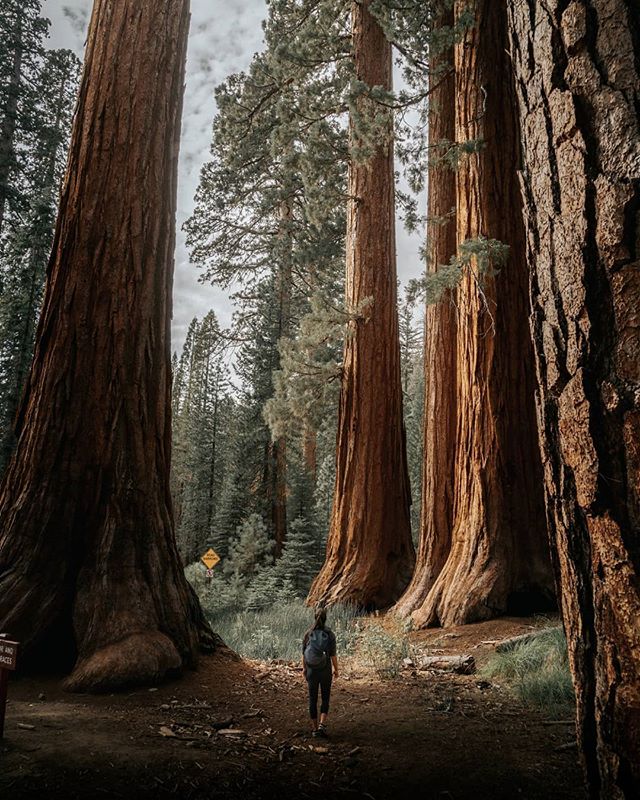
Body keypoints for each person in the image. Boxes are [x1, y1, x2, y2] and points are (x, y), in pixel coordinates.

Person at [302, 606, 338, 738]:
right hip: (325, 670)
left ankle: (314, 729)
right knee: (325, 698)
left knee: (312, 699)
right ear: (325, 618)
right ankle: (322, 725)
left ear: (314, 617)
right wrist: (336, 670)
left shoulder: (308, 633)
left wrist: (304, 669)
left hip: (311, 670)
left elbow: (303, 655)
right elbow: (333, 655)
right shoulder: (329, 634)